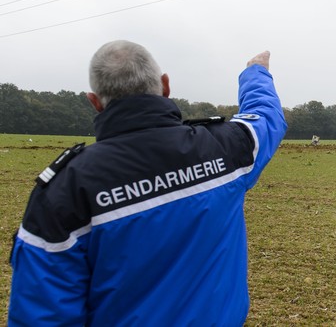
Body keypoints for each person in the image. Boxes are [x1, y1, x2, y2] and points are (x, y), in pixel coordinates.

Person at [9, 40, 287, 325]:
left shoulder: (64, 191)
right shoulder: (225, 147)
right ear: (165, 86)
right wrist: (256, 73)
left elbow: (40, 314)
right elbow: (265, 117)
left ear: (94, 102)